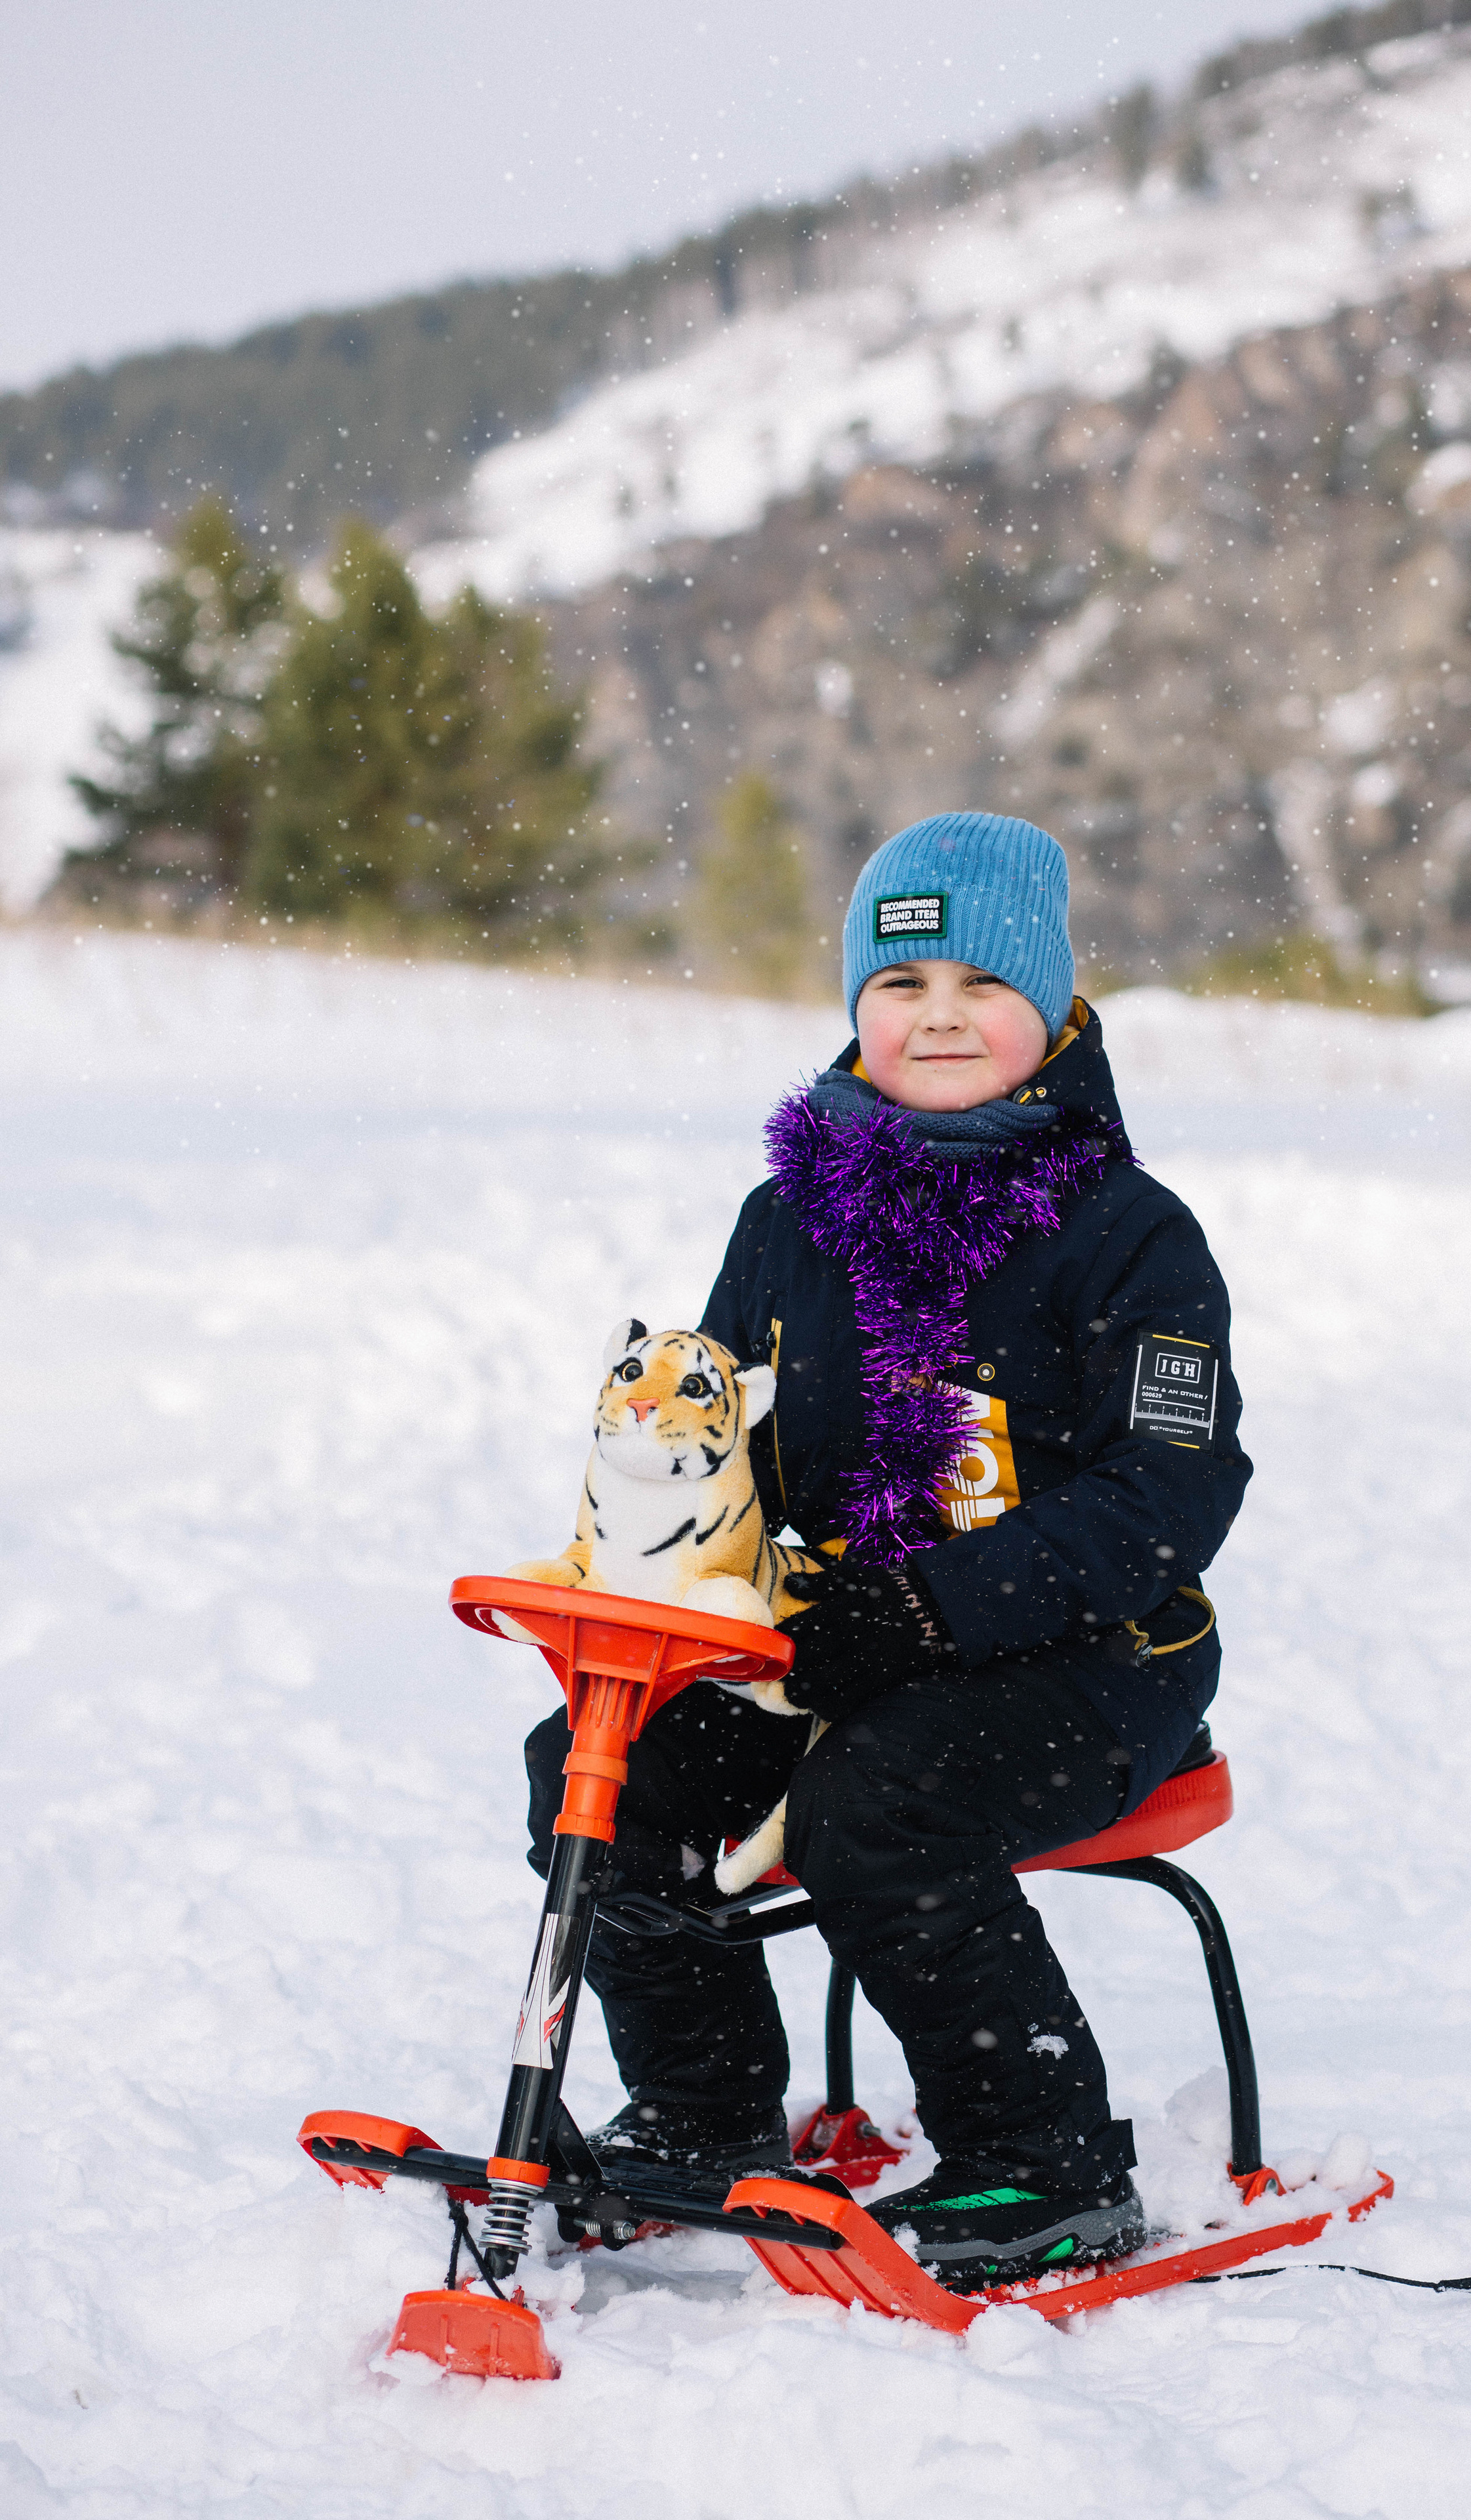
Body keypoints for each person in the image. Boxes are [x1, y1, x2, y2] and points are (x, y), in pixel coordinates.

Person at [524, 810, 1251, 2290]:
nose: (938, 1019)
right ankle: (705, 2106)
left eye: (982, 986)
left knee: (877, 1795)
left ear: (1046, 1006)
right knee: (606, 1763)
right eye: (902, 986)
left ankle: (1041, 2162)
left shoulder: (1127, 1233)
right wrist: (640, 1572)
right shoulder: (785, 1216)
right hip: (834, 1633)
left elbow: (1169, 1490)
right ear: (855, 1004)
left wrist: (938, 1605)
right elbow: (715, 1428)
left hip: (1094, 1664)